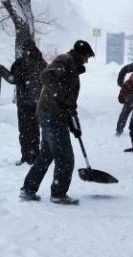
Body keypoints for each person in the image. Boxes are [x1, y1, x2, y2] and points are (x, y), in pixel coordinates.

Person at [19, 40, 95, 205]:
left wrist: (75, 125)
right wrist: (61, 96)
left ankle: (28, 189)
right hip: (52, 115)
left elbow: (69, 102)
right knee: (65, 157)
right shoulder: (65, 60)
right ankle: (58, 193)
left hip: (51, 114)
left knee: (46, 155)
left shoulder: (71, 66)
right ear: (81, 53)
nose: (87, 60)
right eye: (87, 56)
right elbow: (46, 76)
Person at [0, 39, 48, 165]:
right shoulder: (42, 62)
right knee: (35, 130)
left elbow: (13, 79)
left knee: (25, 130)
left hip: (24, 103)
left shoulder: (21, 63)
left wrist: (2, 71)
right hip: (38, 102)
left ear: (24, 49)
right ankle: (34, 156)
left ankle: (26, 156)